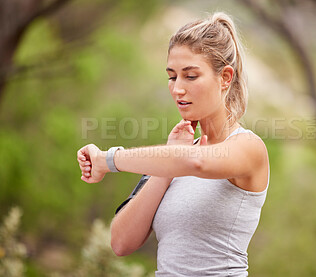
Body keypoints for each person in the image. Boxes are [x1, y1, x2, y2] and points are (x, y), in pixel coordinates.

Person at [77, 11, 270, 276]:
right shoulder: (176, 157)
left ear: (225, 78)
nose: (178, 88)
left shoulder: (249, 148)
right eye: (172, 76)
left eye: (190, 76)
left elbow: (197, 162)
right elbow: (121, 242)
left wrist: (107, 160)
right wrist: (166, 165)